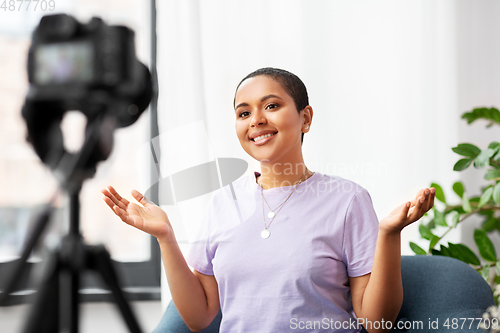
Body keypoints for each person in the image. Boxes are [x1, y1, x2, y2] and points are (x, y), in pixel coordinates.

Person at [102, 67, 435, 333]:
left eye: (272, 106)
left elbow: (376, 323)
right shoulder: (222, 203)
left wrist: (390, 234)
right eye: (243, 113)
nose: (256, 120)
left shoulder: (347, 200)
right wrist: (165, 236)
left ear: (305, 118)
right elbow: (199, 317)